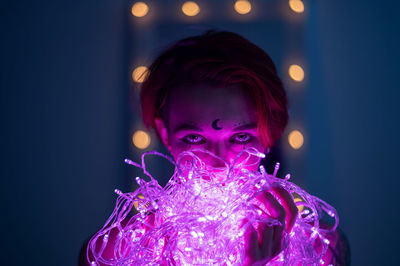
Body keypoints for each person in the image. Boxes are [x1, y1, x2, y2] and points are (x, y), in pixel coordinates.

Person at [80, 30, 350, 265]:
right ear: (166, 134)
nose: (220, 162)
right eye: (195, 138)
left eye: (242, 137)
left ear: (270, 134)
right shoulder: (113, 253)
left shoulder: (320, 249)